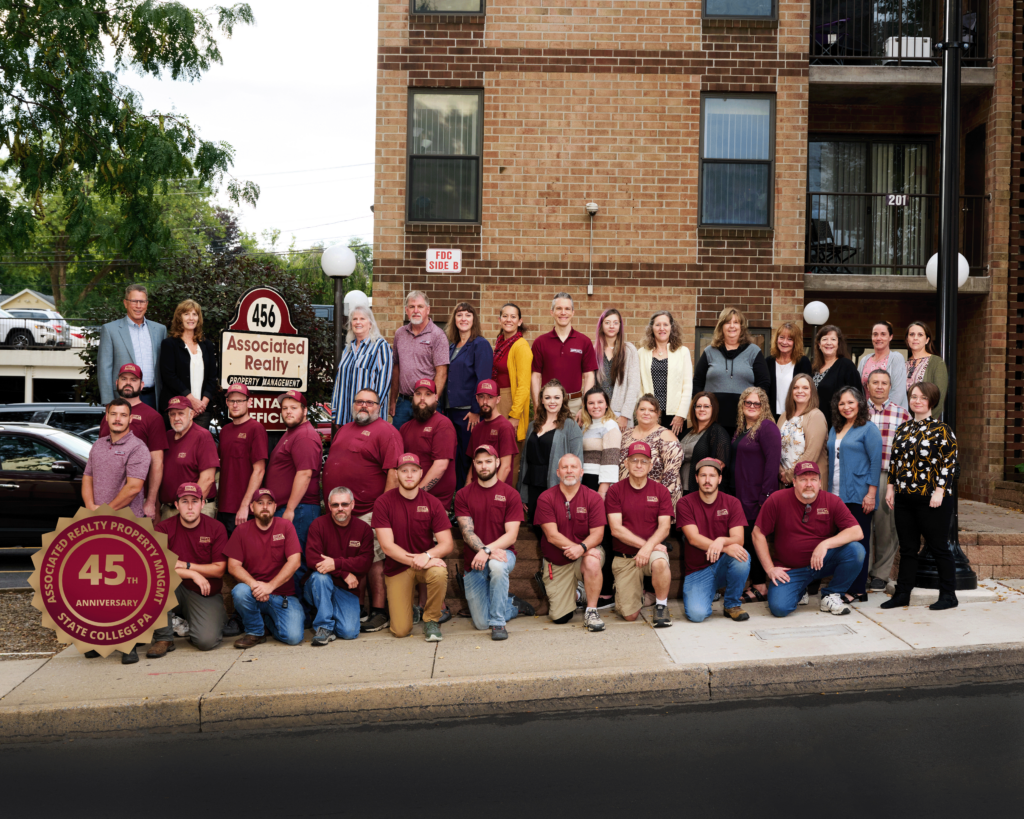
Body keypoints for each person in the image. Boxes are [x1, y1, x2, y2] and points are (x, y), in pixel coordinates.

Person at [322, 388, 403, 634]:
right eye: (359, 402)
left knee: (375, 562)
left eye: (370, 402)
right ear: (352, 404)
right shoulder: (343, 430)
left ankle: (379, 612)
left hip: (370, 511)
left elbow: (394, 472)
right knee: (353, 561)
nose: (364, 406)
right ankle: (358, 608)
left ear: (378, 407)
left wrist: (383, 510)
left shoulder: (388, 432)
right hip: (341, 514)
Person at [881, 382, 960, 611]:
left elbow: (949, 463)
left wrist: (939, 491)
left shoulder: (942, 429)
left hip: (932, 499)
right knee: (907, 548)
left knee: (938, 548)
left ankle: (948, 595)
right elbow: (895, 462)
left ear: (931, 401)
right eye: (914, 396)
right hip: (904, 498)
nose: (917, 401)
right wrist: (890, 487)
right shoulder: (903, 429)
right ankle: (903, 593)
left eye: (922, 397)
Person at [752, 461, 865, 618]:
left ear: (820, 482)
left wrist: (825, 544)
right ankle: (799, 589)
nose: (808, 484)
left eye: (813, 479)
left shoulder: (832, 501)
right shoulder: (777, 499)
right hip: (789, 569)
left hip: (821, 563)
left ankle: (831, 594)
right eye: (803, 479)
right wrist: (770, 569)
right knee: (779, 608)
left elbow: (856, 531)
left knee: (856, 550)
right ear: (794, 482)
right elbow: (757, 533)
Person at [455, 445, 534, 640]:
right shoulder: (463, 495)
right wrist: (484, 550)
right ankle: (512, 604)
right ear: (474, 464)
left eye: (488, 461)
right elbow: (467, 532)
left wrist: (488, 550)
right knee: (482, 624)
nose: (484, 466)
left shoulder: (510, 494)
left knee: (497, 566)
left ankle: (499, 623)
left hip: (503, 554)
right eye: (479, 462)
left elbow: (512, 535)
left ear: (497, 463)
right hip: (474, 563)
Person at [373, 453, 455, 641]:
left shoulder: (432, 503)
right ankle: (410, 611)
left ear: (421, 474)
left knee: (439, 572)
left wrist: (426, 556)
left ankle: (431, 619)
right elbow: (387, 547)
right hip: (398, 568)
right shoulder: (383, 502)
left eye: (413, 471)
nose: (409, 475)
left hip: (424, 563)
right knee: (401, 631)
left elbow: (447, 543)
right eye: (404, 471)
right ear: (396, 474)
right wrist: (419, 560)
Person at [149, 482, 229, 657]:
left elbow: (218, 570)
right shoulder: (163, 528)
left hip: (202, 592)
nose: (190, 506)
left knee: (206, 641)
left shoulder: (216, 528)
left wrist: (186, 565)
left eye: (195, 500)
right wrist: (193, 574)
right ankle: (164, 638)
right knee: (155, 582)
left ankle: (198, 618)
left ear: (203, 503)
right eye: (184, 501)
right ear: (177, 505)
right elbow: (159, 567)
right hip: (174, 588)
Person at [534, 454, 607, 631]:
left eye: (573, 467)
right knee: (560, 617)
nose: (569, 471)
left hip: (586, 555)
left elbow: (597, 534)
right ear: (558, 472)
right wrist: (581, 548)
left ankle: (591, 611)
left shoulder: (593, 497)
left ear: (581, 472)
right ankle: (578, 593)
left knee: (592, 560)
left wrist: (582, 549)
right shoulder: (545, 498)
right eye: (565, 467)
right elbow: (552, 535)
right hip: (558, 562)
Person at [224, 488, 305, 647]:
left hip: (283, 596)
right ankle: (255, 632)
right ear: (252, 507)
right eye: (260, 503)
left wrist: (270, 586)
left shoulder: (286, 526)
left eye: (269, 503)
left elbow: (295, 562)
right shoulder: (241, 531)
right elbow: (233, 566)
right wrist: (255, 585)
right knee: (240, 591)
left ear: (275, 507)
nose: (265, 507)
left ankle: (268, 623)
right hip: (254, 594)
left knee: (293, 638)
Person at [605, 441, 674, 627]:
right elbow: (616, 529)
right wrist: (646, 546)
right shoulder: (615, 491)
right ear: (625, 463)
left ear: (651, 465)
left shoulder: (661, 491)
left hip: (652, 553)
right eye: (634, 460)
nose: (638, 465)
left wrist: (648, 548)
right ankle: (642, 596)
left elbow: (665, 527)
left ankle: (661, 606)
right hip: (625, 557)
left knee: (660, 561)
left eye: (644, 461)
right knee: (630, 615)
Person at [826, 386, 882, 604]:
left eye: (850, 402)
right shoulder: (835, 428)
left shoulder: (869, 429)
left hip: (859, 495)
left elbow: (876, 463)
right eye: (842, 403)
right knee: (842, 543)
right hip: (836, 494)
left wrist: (871, 494)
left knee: (859, 542)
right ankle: (843, 585)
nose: (846, 407)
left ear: (859, 403)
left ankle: (858, 589)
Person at [677, 458, 751, 623]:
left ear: (719, 478)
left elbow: (738, 539)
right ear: (696, 478)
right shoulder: (685, 503)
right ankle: (707, 592)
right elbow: (693, 538)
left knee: (741, 555)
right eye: (703, 475)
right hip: (697, 571)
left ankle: (732, 604)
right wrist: (725, 547)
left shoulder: (732, 502)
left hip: (722, 565)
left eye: (712, 475)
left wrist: (721, 540)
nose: (707, 480)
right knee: (697, 615)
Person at [729, 386, 781, 605]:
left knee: (755, 539)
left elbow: (772, 464)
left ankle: (760, 585)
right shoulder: (742, 429)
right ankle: (754, 582)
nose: (751, 407)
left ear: (763, 407)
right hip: (740, 496)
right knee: (747, 541)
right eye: (747, 403)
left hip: (757, 497)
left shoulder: (767, 428)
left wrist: (766, 497)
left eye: (756, 404)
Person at [303, 487, 375, 646]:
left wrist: (335, 563)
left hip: (346, 590)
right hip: (318, 586)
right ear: (329, 506)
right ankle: (324, 627)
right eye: (335, 505)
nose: (340, 508)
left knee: (349, 633)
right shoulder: (318, 525)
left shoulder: (363, 529)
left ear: (352, 504)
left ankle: (329, 613)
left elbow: (365, 563)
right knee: (320, 577)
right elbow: (312, 559)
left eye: (344, 504)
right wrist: (343, 573)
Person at [98, 363, 166, 520]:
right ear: (117, 383)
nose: (128, 382)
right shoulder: (108, 415)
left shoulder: (153, 417)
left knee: (137, 544)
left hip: (139, 499)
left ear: (141, 385)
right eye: (124, 379)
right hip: (108, 497)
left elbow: (157, 462)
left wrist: (150, 500)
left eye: (133, 380)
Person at [692, 307, 770, 439]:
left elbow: (764, 383)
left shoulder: (754, 351)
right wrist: (700, 407)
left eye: (736, 322)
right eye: (727, 322)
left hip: (744, 418)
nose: (732, 326)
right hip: (713, 417)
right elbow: (698, 381)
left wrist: (753, 406)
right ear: (721, 326)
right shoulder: (709, 351)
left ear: (741, 327)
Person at [865, 368, 910, 590]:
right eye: (875, 382)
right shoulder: (857, 411)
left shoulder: (902, 414)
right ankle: (860, 571)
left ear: (890, 387)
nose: (880, 386)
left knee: (886, 527)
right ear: (868, 386)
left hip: (887, 477)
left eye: (884, 383)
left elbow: (907, 452)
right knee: (861, 525)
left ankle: (880, 574)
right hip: (861, 476)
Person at [581, 387, 623, 609]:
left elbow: (610, 460)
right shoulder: (586, 426)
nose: (595, 406)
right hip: (584, 482)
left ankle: (607, 591)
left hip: (600, 483)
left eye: (599, 402)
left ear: (606, 404)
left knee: (604, 534)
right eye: (590, 403)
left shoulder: (611, 426)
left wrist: (602, 491)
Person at [519, 379, 583, 523]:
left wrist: (572, 494)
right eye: (547, 397)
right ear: (541, 400)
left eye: (556, 397)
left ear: (563, 400)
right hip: (533, 486)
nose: (552, 401)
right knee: (536, 528)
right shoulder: (532, 426)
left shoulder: (570, 426)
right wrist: (523, 494)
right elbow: (524, 461)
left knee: (555, 529)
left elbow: (578, 461)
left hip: (557, 487)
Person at [444, 301, 493, 488]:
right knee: (453, 458)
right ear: (454, 319)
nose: (463, 318)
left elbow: (484, 381)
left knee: (468, 458)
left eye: (468, 315)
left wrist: (476, 410)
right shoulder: (451, 346)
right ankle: (456, 499)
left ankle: (469, 501)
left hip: (468, 414)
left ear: (474, 319)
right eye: (459, 315)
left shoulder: (480, 345)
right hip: (450, 412)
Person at [265, 391, 322, 547]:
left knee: (296, 560)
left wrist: (290, 509)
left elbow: (304, 474)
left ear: (305, 411)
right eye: (284, 408)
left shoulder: (304, 436)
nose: (288, 411)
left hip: (300, 509)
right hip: (293, 508)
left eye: (293, 407)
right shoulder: (292, 433)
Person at [97, 283, 167, 408]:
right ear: (125, 303)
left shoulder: (160, 330)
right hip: (121, 398)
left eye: (142, 301)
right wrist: (108, 402)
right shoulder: (110, 330)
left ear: (147, 304)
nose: (138, 306)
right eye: (134, 301)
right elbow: (104, 368)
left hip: (153, 397)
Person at [83, 397, 151, 519]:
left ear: (130, 419)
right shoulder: (98, 445)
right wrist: (90, 507)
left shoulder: (138, 448)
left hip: (128, 522)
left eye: (123, 415)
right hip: (97, 517)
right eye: (113, 414)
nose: (118, 419)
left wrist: (105, 511)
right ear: (107, 417)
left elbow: (134, 488)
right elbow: (88, 477)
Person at [531, 292, 597, 417]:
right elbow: (535, 377)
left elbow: (589, 376)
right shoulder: (540, 342)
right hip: (549, 403)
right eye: (559, 308)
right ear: (552, 312)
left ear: (573, 312)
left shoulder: (584, 341)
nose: (563, 312)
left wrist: (584, 407)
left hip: (575, 404)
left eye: (567, 309)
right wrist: (537, 407)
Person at [390, 291, 449, 430]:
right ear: (406, 310)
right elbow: (396, 368)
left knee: (425, 442)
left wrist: (433, 400)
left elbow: (442, 372)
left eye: (420, 306)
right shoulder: (400, 334)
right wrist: (393, 400)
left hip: (426, 402)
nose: (416, 311)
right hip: (403, 402)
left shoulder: (438, 335)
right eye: (411, 307)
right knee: (398, 443)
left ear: (427, 309)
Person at [217, 383, 269, 537]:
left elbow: (259, 470)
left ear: (249, 402)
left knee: (242, 559)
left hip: (243, 510)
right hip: (223, 507)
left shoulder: (256, 429)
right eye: (232, 400)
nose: (235, 404)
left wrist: (245, 506)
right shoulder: (225, 431)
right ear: (226, 403)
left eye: (240, 400)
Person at [399, 378, 457, 511]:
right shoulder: (405, 428)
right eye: (418, 394)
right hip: (410, 497)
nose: (422, 399)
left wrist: (416, 492)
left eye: (428, 394)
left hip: (435, 502)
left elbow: (441, 466)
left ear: (436, 397)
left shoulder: (443, 424)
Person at [331, 304, 393, 426]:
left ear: (370, 324)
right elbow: (338, 383)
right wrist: (335, 411)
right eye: (354, 319)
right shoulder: (348, 349)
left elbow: (384, 384)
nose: (358, 322)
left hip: (369, 419)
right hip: (345, 417)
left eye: (362, 319)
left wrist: (371, 412)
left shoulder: (381, 347)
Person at [159, 299, 217, 427]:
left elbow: (212, 378)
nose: (191, 318)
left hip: (202, 411)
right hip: (177, 410)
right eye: (186, 314)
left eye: (194, 314)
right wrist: (191, 401)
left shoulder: (207, 345)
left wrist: (202, 404)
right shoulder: (169, 344)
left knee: (199, 446)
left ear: (199, 318)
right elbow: (169, 376)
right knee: (176, 447)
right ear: (179, 317)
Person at [492, 302, 532, 485]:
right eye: (505, 316)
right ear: (500, 319)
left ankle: (509, 501)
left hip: (511, 403)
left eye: (513, 316)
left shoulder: (521, 345)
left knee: (511, 457)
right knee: (497, 454)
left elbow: (524, 386)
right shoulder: (501, 343)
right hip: (497, 400)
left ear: (519, 321)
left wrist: (515, 416)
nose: (509, 320)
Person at [618, 394, 683, 507]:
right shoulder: (626, 434)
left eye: (651, 410)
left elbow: (671, 474)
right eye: (642, 409)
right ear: (636, 411)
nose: (646, 413)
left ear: (658, 414)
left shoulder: (666, 436)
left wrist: (656, 500)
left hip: (658, 500)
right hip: (628, 498)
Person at [160, 396, 219, 519]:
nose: (176, 418)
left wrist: (190, 508)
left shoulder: (202, 436)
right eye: (172, 414)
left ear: (191, 414)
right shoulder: (167, 437)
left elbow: (208, 479)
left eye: (181, 413)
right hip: (168, 510)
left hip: (196, 510)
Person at [638, 310, 692, 436]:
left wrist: (681, 414)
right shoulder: (642, 353)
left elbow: (687, 386)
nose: (662, 328)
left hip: (674, 417)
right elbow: (638, 384)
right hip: (649, 413)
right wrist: (643, 410)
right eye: (657, 325)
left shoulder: (683, 352)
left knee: (672, 452)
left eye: (665, 324)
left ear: (671, 327)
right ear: (652, 328)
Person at [594, 308, 641, 431]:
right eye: (607, 322)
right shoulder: (594, 351)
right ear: (601, 325)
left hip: (620, 412)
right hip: (597, 410)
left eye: (615, 322)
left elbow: (634, 385)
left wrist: (625, 415)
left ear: (620, 326)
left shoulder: (629, 350)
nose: (611, 326)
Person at [777, 373, 828, 486]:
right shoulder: (783, 416)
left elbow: (812, 453)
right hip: (785, 481)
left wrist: (790, 475)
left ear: (812, 392)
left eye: (805, 388)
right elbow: (775, 447)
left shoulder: (816, 416)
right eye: (796, 388)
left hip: (808, 482)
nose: (800, 391)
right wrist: (781, 472)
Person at [466, 379, 518, 486]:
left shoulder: (505, 427)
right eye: (481, 397)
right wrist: (467, 490)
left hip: (497, 494)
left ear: (498, 399)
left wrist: (491, 493)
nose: (485, 402)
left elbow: (506, 467)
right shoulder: (477, 428)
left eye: (490, 397)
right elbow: (473, 464)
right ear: (476, 399)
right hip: (476, 491)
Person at [811, 325, 861, 430]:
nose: (829, 343)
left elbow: (857, 397)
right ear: (819, 344)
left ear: (838, 344)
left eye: (833, 339)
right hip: (815, 424)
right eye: (825, 339)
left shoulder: (846, 366)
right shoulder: (814, 368)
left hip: (837, 426)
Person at [680, 392, 731, 495]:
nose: (702, 409)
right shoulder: (686, 432)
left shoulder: (718, 432)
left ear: (713, 409)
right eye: (698, 406)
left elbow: (719, 465)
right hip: (680, 488)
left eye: (706, 406)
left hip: (702, 491)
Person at [766, 320, 812, 421]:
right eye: (781, 337)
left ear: (795, 342)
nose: (784, 342)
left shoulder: (802, 362)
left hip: (795, 416)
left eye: (789, 339)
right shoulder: (768, 362)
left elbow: (808, 391)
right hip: (771, 417)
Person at [857, 320, 908, 410]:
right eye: (875, 334)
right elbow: (858, 390)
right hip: (866, 414)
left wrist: (880, 412)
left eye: (883, 334)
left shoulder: (896, 358)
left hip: (890, 414)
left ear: (890, 337)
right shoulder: (864, 360)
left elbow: (898, 393)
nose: (878, 338)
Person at [905, 321, 949, 418]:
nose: (915, 338)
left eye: (920, 335)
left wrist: (926, 422)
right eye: (912, 334)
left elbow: (939, 397)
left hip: (926, 423)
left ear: (927, 340)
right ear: (907, 339)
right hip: (904, 422)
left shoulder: (936, 362)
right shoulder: (903, 364)